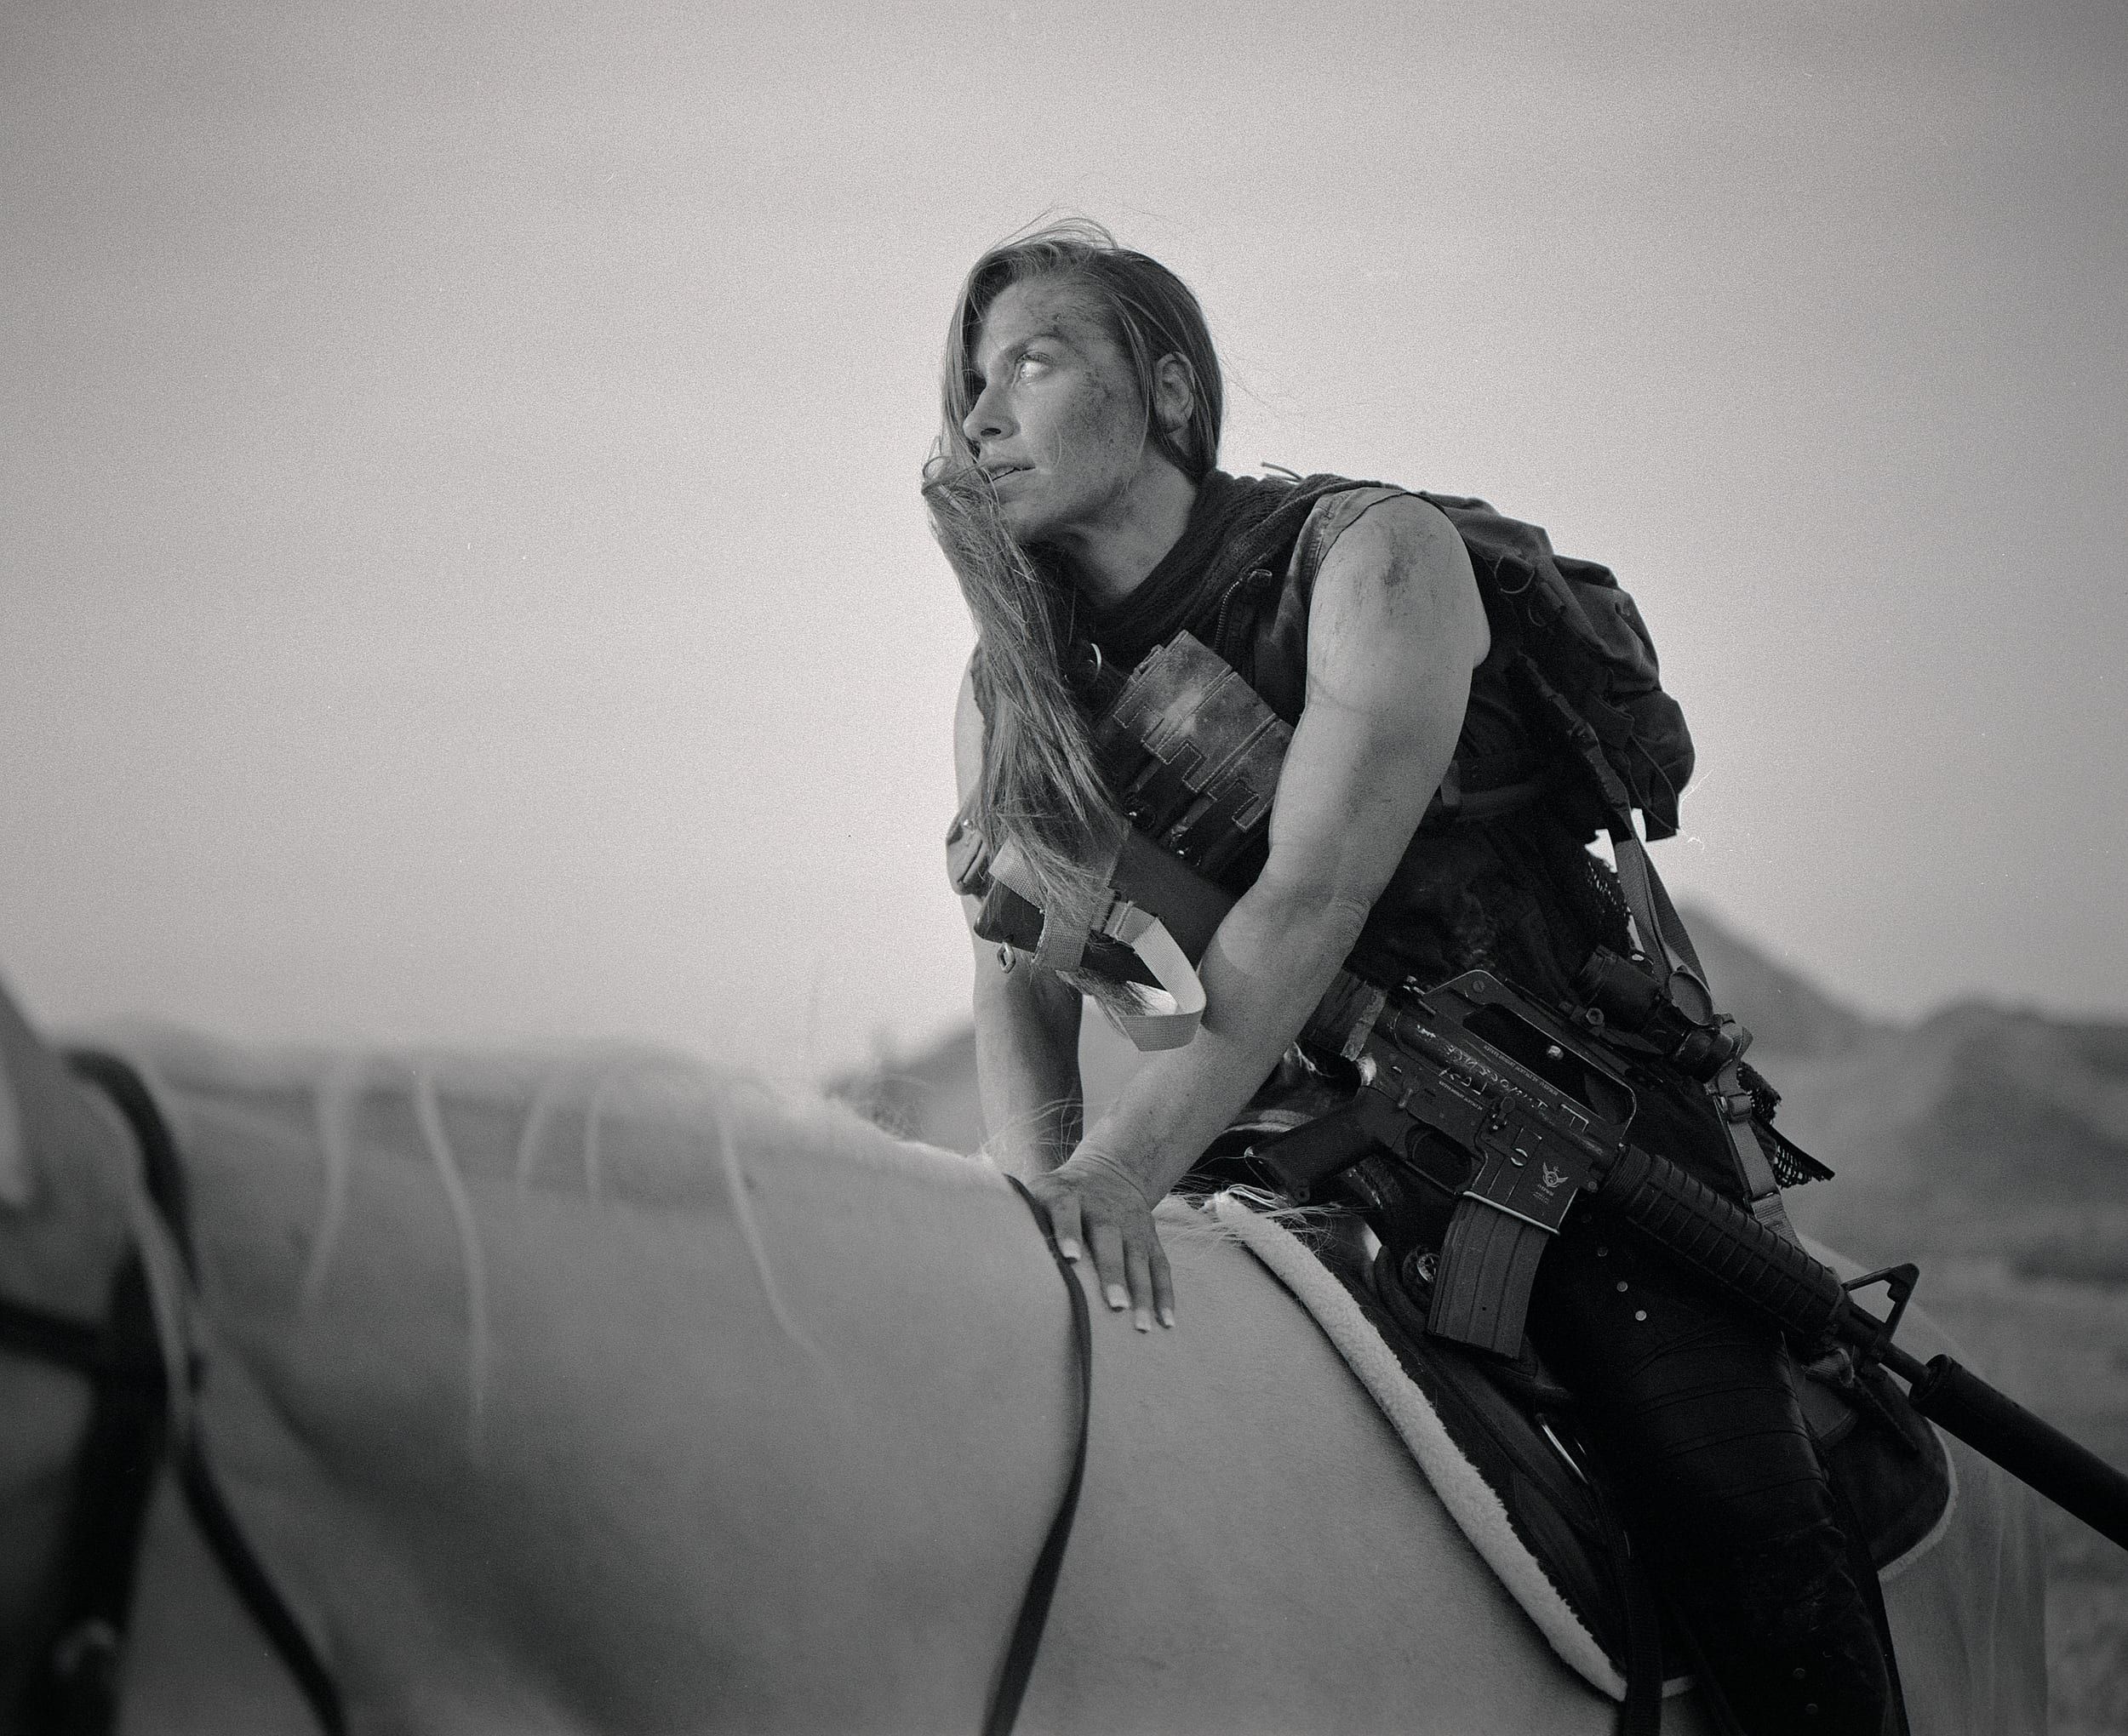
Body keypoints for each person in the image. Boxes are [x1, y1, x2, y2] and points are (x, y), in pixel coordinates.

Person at [926, 220, 1894, 1734]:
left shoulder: (1372, 563)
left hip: (1568, 1144)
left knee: (1741, 1530)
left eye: (1033, 363)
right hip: (1272, 1148)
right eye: (969, 382)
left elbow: (1310, 898)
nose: (979, 416)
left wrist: (1117, 1172)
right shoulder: (1012, 692)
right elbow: (1017, 985)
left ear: (1171, 394)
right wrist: (1041, 1209)